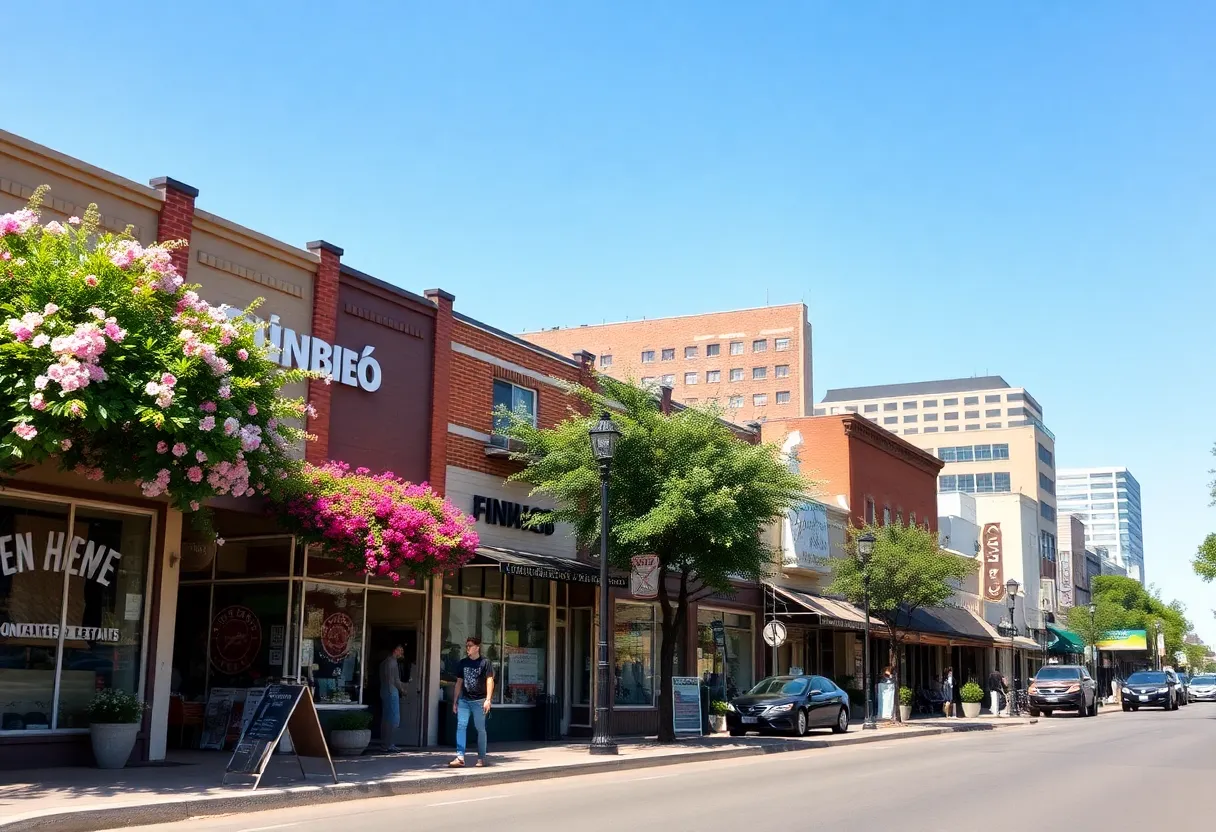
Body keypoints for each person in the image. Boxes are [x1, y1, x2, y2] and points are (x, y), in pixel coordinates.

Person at [450, 636, 495, 768]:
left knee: (480, 729)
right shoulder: (463, 663)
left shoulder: (485, 663)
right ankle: (460, 757)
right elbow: (459, 682)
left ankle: (481, 758)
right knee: (461, 726)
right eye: (467, 646)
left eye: (470, 645)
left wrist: (488, 699)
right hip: (464, 700)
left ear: (477, 648)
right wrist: (455, 701)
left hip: (479, 700)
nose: (467, 648)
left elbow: (489, 680)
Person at [379, 645, 408, 753]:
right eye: (400, 650)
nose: (402, 653)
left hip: (384, 691)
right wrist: (403, 690)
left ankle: (385, 743)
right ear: (395, 650)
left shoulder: (384, 662)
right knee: (394, 719)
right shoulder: (392, 662)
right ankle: (388, 744)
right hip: (391, 692)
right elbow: (394, 680)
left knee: (386, 718)